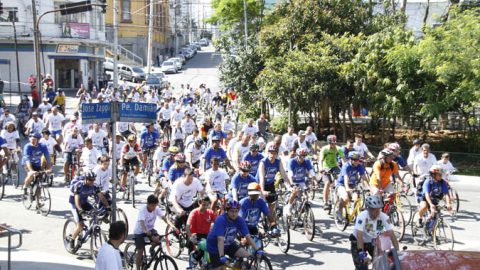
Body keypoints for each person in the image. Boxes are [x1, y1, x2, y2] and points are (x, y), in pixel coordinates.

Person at [206, 199, 263, 270]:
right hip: (215, 246)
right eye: (232, 211)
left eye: (236, 211)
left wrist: (257, 249)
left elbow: (248, 237)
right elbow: (220, 239)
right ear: (227, 211)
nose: (234, 214)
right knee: (220, 267)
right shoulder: (221, 220)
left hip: (229, 244)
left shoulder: (240, 220)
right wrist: (221, 256)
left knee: (246, 255)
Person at [349, 195, 399, 270]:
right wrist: (362, 255)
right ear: (368, 209)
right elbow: (359, 236)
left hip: (372, 241)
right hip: (358, 241)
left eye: (378, 209)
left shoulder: (384, 217)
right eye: (374, 210)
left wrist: (397, 252)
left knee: (382, 262)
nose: (376, 212)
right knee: (362, 266)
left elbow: (392, 234)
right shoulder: (362, 216)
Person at [67, 171, 110, 250]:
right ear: (86, 179)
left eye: (93, 180)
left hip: (84, 202)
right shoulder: (79, 185)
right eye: (90, 180)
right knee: (80, 225)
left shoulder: (94, 186)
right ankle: (71, 240)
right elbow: (76, 199)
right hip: (74, 204)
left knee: (95, 213)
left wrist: (107, 206)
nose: (92, 181)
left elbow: (101, 196)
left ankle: (91, 229)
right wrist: (80, 210)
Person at [133, 195, 177, 270]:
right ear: (148, 204)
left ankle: (151, 249)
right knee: (140, 251)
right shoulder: (143, 210)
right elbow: (142, 223)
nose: (154, 207)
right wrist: (146, 231)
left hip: (150, 229)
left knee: (157, 240)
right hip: (139, 231)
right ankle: (137, 268)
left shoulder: (156, 209)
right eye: (152, 205)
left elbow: (164, 218)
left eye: (155, 205)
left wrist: (173, 226)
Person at [256, 144, 289, 227]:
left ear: (277, 154)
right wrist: (262, 191)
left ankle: (271, 223)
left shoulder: (278, 162)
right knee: (262, 202)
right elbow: (261, 178)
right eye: (270, 152)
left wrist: (289, 186)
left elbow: (284, 175)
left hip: (270, 184)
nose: (272, 155)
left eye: (274, 153)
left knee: (272, 204)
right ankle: (260, 219)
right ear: (268, 153)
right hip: (259, 184)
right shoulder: (263, 162)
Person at [335, 151, 369, 220]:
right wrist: (347, 188)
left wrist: (368, 187)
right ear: (350, 159)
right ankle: (339, 210)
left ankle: (355, 214)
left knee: (356, 198)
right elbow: (345, 178)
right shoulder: (346, 166)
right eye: (354, 160)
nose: (357, 161)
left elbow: (363, 177)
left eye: (358, 160)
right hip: (342, 184)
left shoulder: (359, 166)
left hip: (353, 185)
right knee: (346, 198)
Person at [187, 195, 217, 264]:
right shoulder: (194, 212)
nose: (205, 207)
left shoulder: (210, 213)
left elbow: (218, 222)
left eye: (207, 205)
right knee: (204, 246)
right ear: (199, 203)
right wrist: (190, 237)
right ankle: (194, 259)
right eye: (204, 205)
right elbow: (187, 226)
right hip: (195, 234)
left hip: (206, 234)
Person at [319, 135, 345, 210]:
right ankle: (325, 202)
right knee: (327, 183)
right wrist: (320, 168)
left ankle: (340, 195)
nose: (333, 145)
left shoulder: (338, 149)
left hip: (334, 166)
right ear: (329, 143)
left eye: (334, 143)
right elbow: (320, 160)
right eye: (332, 143)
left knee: (340, 181)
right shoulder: (325, 149)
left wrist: (345, 168)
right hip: (325, 167)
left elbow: (343, 160)